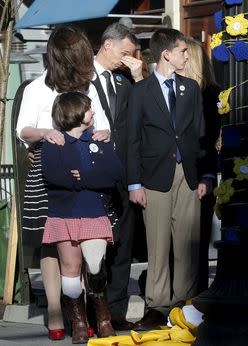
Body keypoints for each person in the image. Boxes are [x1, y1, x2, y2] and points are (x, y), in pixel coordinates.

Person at [15, 26, 110, 341]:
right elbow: (23, 129)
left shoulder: (89, 86)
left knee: (82, 240)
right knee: (51, 240)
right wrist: (45, 134)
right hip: (46, 170)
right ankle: (57, 312)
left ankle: (81, 310)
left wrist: (101, 136)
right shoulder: (36, 88)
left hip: (84, 169)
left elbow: (104, 125)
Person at [127, 28, 212, 330]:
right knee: (158, 245)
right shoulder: (140, 91)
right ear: (166, 54)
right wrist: (134, 184)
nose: (187, 56)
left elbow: (200, 135)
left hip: (187, 174)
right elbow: (132, 139)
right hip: (154, 177)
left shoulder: (191, 88)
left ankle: (185, 305)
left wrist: (206, 174)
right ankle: (157, 306)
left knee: (187, 244)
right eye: (183, 51)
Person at [41, 92, 122, 343]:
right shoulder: (53, 143)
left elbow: (114, 174)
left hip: (94, 212)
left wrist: (83, 177)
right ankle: (78, 321)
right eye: (89, 109)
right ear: (75, 112)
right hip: (64, 214)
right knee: (70, 269)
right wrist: (83, 178)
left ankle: (103, 317)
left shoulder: (100, 140)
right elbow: (54, 176)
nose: (94, 113)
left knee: (96, 266)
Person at [91, 22, 144, 331]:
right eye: (124, 53)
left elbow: (146, 110)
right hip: (91, 174)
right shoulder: (81, 77)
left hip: (124, 174)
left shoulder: (125, 81)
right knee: (95, 246)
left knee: (123, 244)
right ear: (107, 45)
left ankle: (117, 309)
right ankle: (93, 308)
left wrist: (138, 76)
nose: (127, 59)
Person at [177, 37, 221, 292]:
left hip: (201, 172)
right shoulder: (177, 89)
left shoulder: (209, 94)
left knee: (197, 237)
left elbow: (207, 135)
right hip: (184, 171)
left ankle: (197, 292)